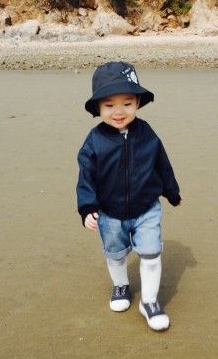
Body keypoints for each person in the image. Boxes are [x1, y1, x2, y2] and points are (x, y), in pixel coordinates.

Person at [76, 61, 181, 331]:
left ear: (137, 103)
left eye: (127, 103)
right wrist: (88, 208)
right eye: (109, 105)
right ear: (98, 107)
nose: (119, 111)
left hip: (147, 208)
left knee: (151, 253)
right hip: (109, 213)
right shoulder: (94, 141)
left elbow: (162, 163)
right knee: (115, 253)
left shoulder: (147, 134)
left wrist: (171, 191)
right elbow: (85, 177)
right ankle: (121, 286)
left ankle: (149, 302)